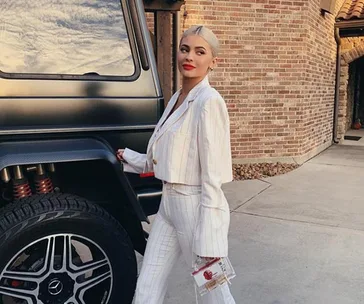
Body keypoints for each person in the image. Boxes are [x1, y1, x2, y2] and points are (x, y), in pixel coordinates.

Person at [116, 25, 235, 304]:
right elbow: (167, 155)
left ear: (212, 62)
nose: (189, 57)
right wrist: (129, 158)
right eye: (184, 49)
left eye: (199, 51)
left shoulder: (209, 102)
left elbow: (213, 174)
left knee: (214, 290)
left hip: (194, 208)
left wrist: (211, 233)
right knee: (148, 282)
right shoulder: (177, 100)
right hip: (168, 205)